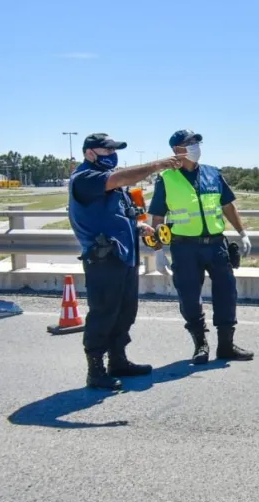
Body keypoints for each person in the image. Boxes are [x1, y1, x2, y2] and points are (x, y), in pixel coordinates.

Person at [68, 133, 184, 390]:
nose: (112, 155)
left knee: (125, 311)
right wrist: (157, 165)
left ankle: (118, 361)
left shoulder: (112, 185)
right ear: (90, 153)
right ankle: (95, 370)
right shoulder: (85, 178)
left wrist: (138, 225)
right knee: (104, 312)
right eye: (106, 151)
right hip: (104, 259)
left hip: (124, 256)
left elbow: (117, 215)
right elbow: (118, 178)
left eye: (114, 150)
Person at [148, 129, 254, 365]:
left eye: (197, 142)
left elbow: (228, 206)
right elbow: (156, 218)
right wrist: (158, 251)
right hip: (184, 248)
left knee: (227, 293)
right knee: (189, 297)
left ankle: (226, 346)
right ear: (177, 150)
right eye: (190, 143)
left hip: (216, 245)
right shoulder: (166, 179)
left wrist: (242, 233)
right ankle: (200, 344)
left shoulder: (213, 174)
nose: (196, 146)